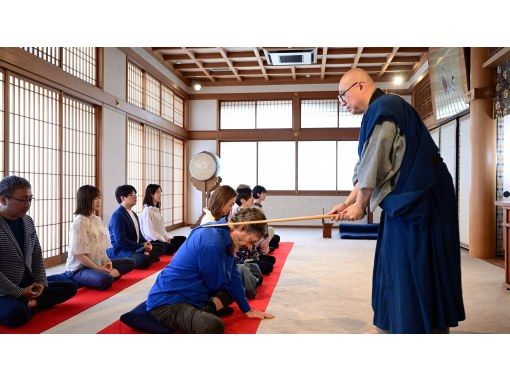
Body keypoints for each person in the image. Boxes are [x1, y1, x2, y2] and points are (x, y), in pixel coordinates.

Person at [328, 68, 465, 333]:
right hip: (407, 198)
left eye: (342, 95)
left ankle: (418, 324)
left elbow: (377, 159)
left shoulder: (386, 107)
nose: (342, 102)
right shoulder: (379, 110)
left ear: (359, 86)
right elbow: (366, 162)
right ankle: (399, 320)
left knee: (415, 258)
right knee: (393, 258)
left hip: (421, 198)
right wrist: (348, 202)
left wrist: (360, 205)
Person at [146, 207, 274, 333]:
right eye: (251, 241)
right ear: (242, 228)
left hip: (195, 292)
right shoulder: (212, 242)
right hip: (170, 302)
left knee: (237, 288)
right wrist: (230, 257)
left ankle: (206, 308)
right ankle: (207, 309)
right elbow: (215, 284)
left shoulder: (223, 231)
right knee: (214, 326)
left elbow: (234, 277)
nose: (250, 246)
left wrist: (247, 309)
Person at [0, 176, 77, 327]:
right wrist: (19, 292)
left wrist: (42, 283)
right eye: (23, 200)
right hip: (4, 289)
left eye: (30, 199)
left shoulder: (27, 221)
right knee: (15, 314)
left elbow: (36, 255)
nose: (28, 204)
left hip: (29, 283)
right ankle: (28, 304)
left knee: (71, 286)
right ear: (3, 199)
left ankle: (30, 303)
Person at [65, 185, 136, 290]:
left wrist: (108, 262)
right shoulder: (79, 222)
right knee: (105, 280)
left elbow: (101, 248)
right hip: (80, 268)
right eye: (95, 198)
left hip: (98, 263)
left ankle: (99, 277)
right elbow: (79, 255)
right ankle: (100, 276)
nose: (99, 201)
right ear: (86, 200)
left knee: (131, 262)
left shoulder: (97, 219)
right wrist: (98, 269)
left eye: (99, 198)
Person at [107, 185, 161, 269]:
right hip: (122, 250)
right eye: (132, 195)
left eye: (135, 194)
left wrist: (146, 243)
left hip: (134, 247)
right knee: (144, 260)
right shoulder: (118, 215)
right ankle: (140, 255)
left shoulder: (133, 213)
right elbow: (120, 240)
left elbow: (139, 233)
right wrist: (141, 246)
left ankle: (144, 254)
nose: (135, 197)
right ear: (123, 198)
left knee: (158, 248)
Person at [139, 184, 186, 255]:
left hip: (162, 239)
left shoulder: (155, 209)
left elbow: (162, 230)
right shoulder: (147, 212)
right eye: (158, 193)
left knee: (182, 239)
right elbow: (150, 233)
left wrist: (168, 237)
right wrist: (163, 239)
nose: (160, 195)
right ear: (151, 194)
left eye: (160, 192)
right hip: (153, 241)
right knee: (170, 247)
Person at [252, 185, 280, 252]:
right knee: (269, 233)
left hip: (260, 230)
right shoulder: (255, 206)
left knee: (273, 234)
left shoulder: (258, 206)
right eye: (263, 193)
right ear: (258, 194)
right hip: (257, 232)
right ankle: (261, 250)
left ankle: (264, 246)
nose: (265, 195)